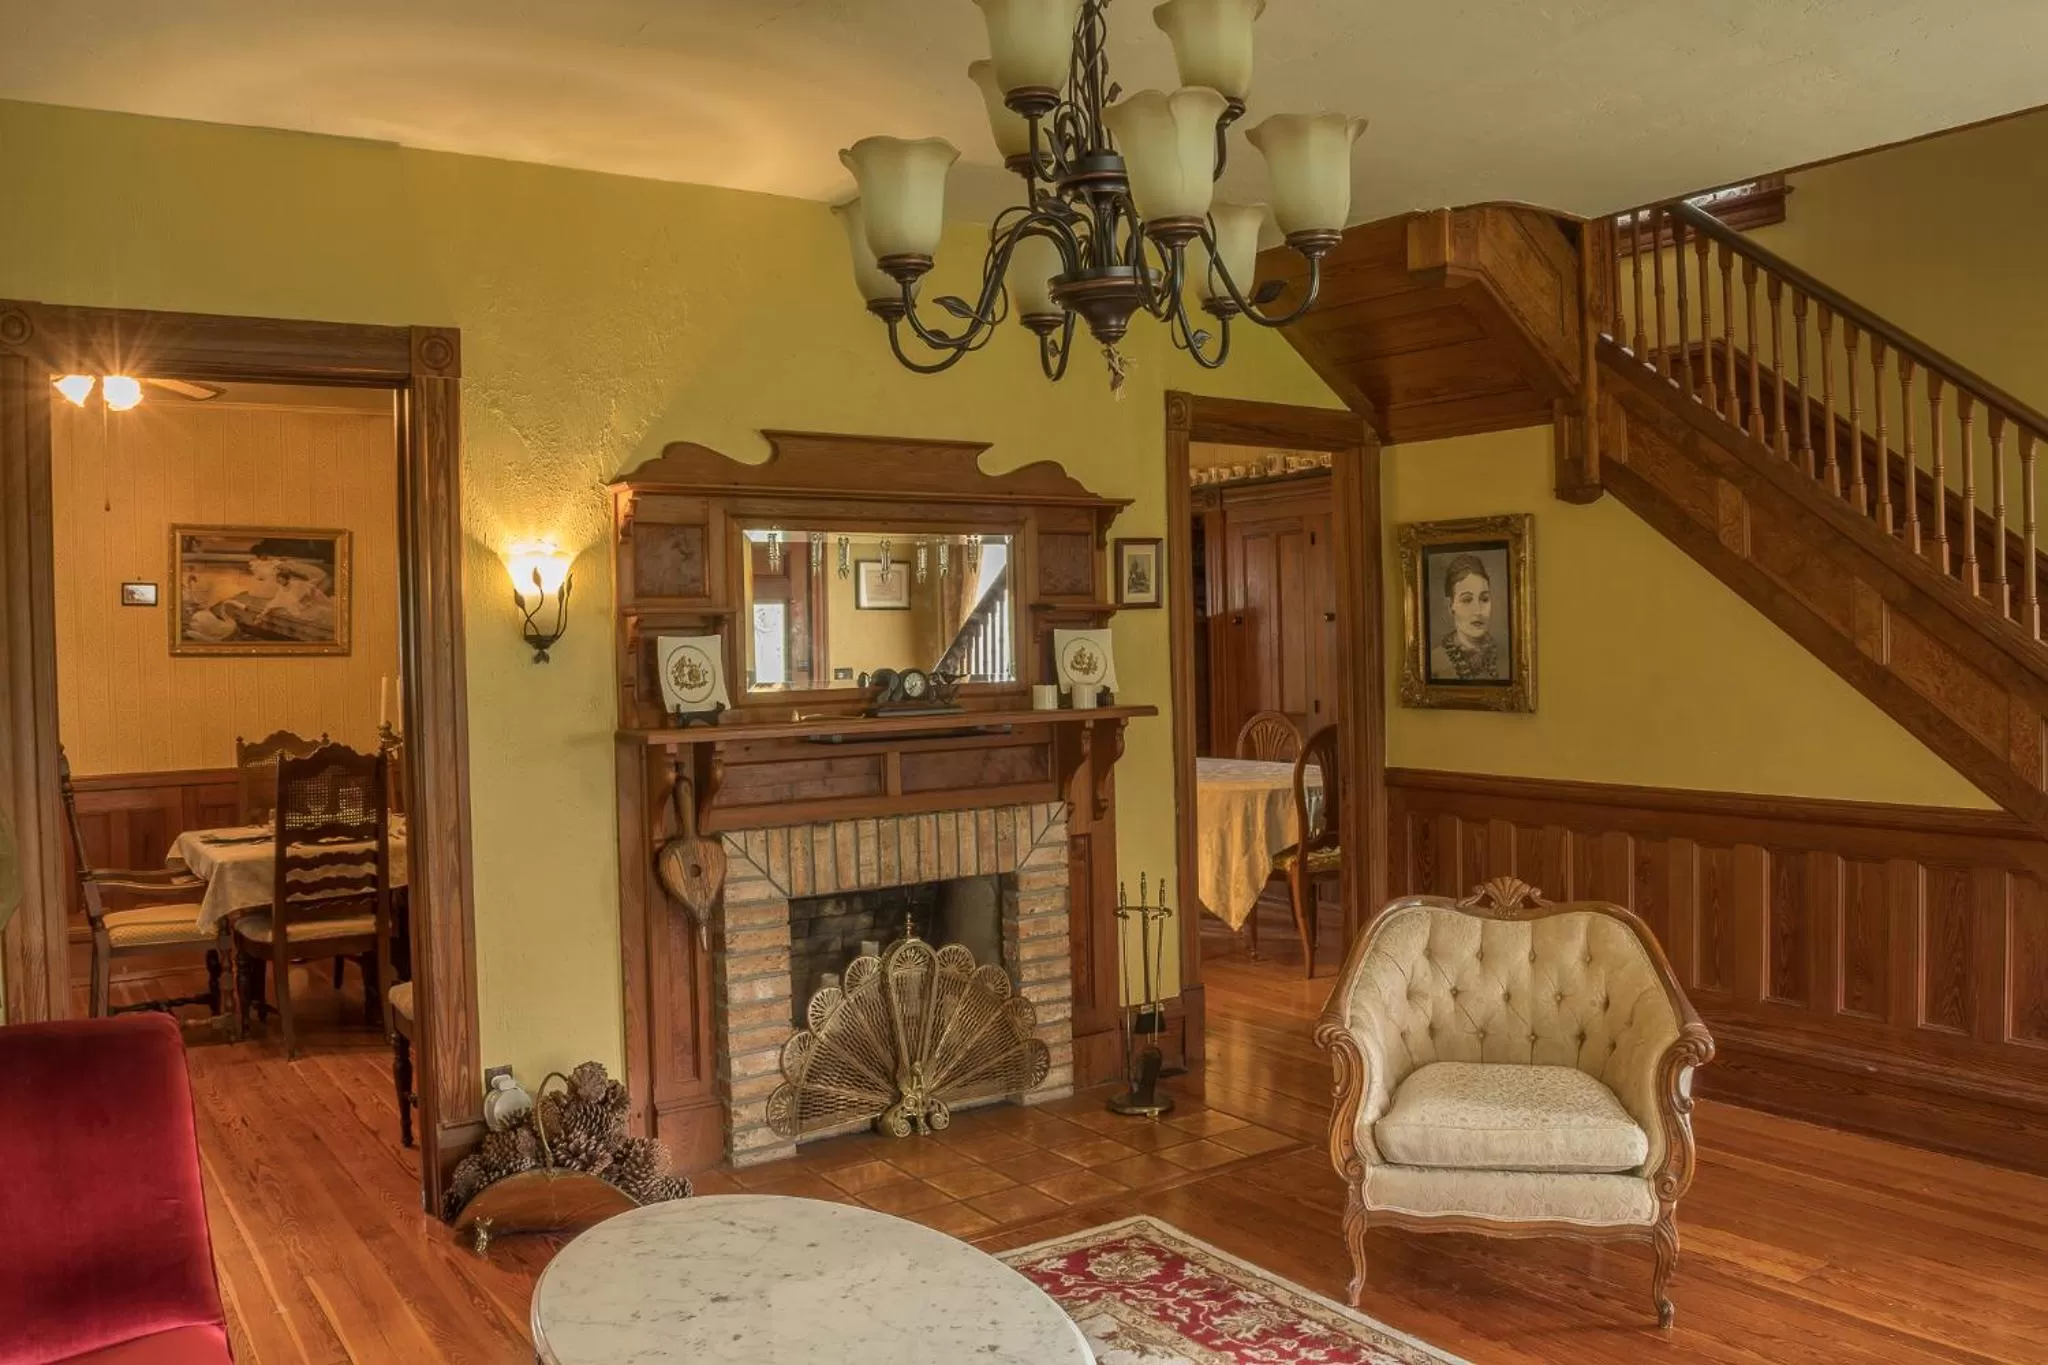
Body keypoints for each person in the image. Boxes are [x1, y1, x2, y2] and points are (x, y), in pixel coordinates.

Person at [1430, 552, 1505, 680]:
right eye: (1467, 600)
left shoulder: (1507, 658)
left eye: (1484, 599)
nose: (1478, 610)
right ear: (1450, 606)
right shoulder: (1434, 664)